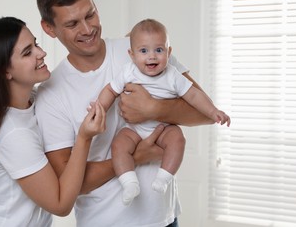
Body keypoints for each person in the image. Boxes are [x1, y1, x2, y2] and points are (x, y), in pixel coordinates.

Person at [35, 0, 214, 227]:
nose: (87, 29)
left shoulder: (143, 48)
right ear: (49, 29)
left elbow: (207, 113)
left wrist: (155, 108)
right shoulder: (50, 95)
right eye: (72, 23)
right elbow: (69, 184)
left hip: (164, 219)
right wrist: (136, 157)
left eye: (90, 14)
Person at [0, 17, 106, 226]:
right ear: (5, 72)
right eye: (27, 52)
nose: (41, 53)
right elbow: (60, 204)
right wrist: (84, 138)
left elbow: (70, 85)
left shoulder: (30, 99)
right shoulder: (13, 134)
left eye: (36, 44)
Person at [97, 18, 231, 206]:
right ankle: (129, 182)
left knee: (177, 139)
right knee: (119, 145)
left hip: (163, 127)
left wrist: (213, 111)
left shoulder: (173, 75)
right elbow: (110, 90)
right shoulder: (128, 71)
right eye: (144, 51)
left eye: (159, 50)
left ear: (169, 52)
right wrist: (100, 108)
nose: (152, 56)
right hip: (134, 128)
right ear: (132, 54)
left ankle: (163, 178)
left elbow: (193, 96)